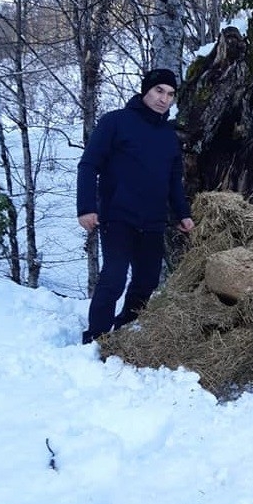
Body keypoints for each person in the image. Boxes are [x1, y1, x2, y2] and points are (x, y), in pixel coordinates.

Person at [76, 68, 195, 344]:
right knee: (114, 277)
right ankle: (97, 336)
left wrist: (183, 214)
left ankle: (126, 329)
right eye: (158, 91)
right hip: (117, 215)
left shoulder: (168, 136)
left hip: (152, 221)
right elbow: (89, 164)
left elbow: (174, 180)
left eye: (170, 94)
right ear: (145, 90)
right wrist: (86, 207)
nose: (164, 99)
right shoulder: (115, 122)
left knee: (147, 281)